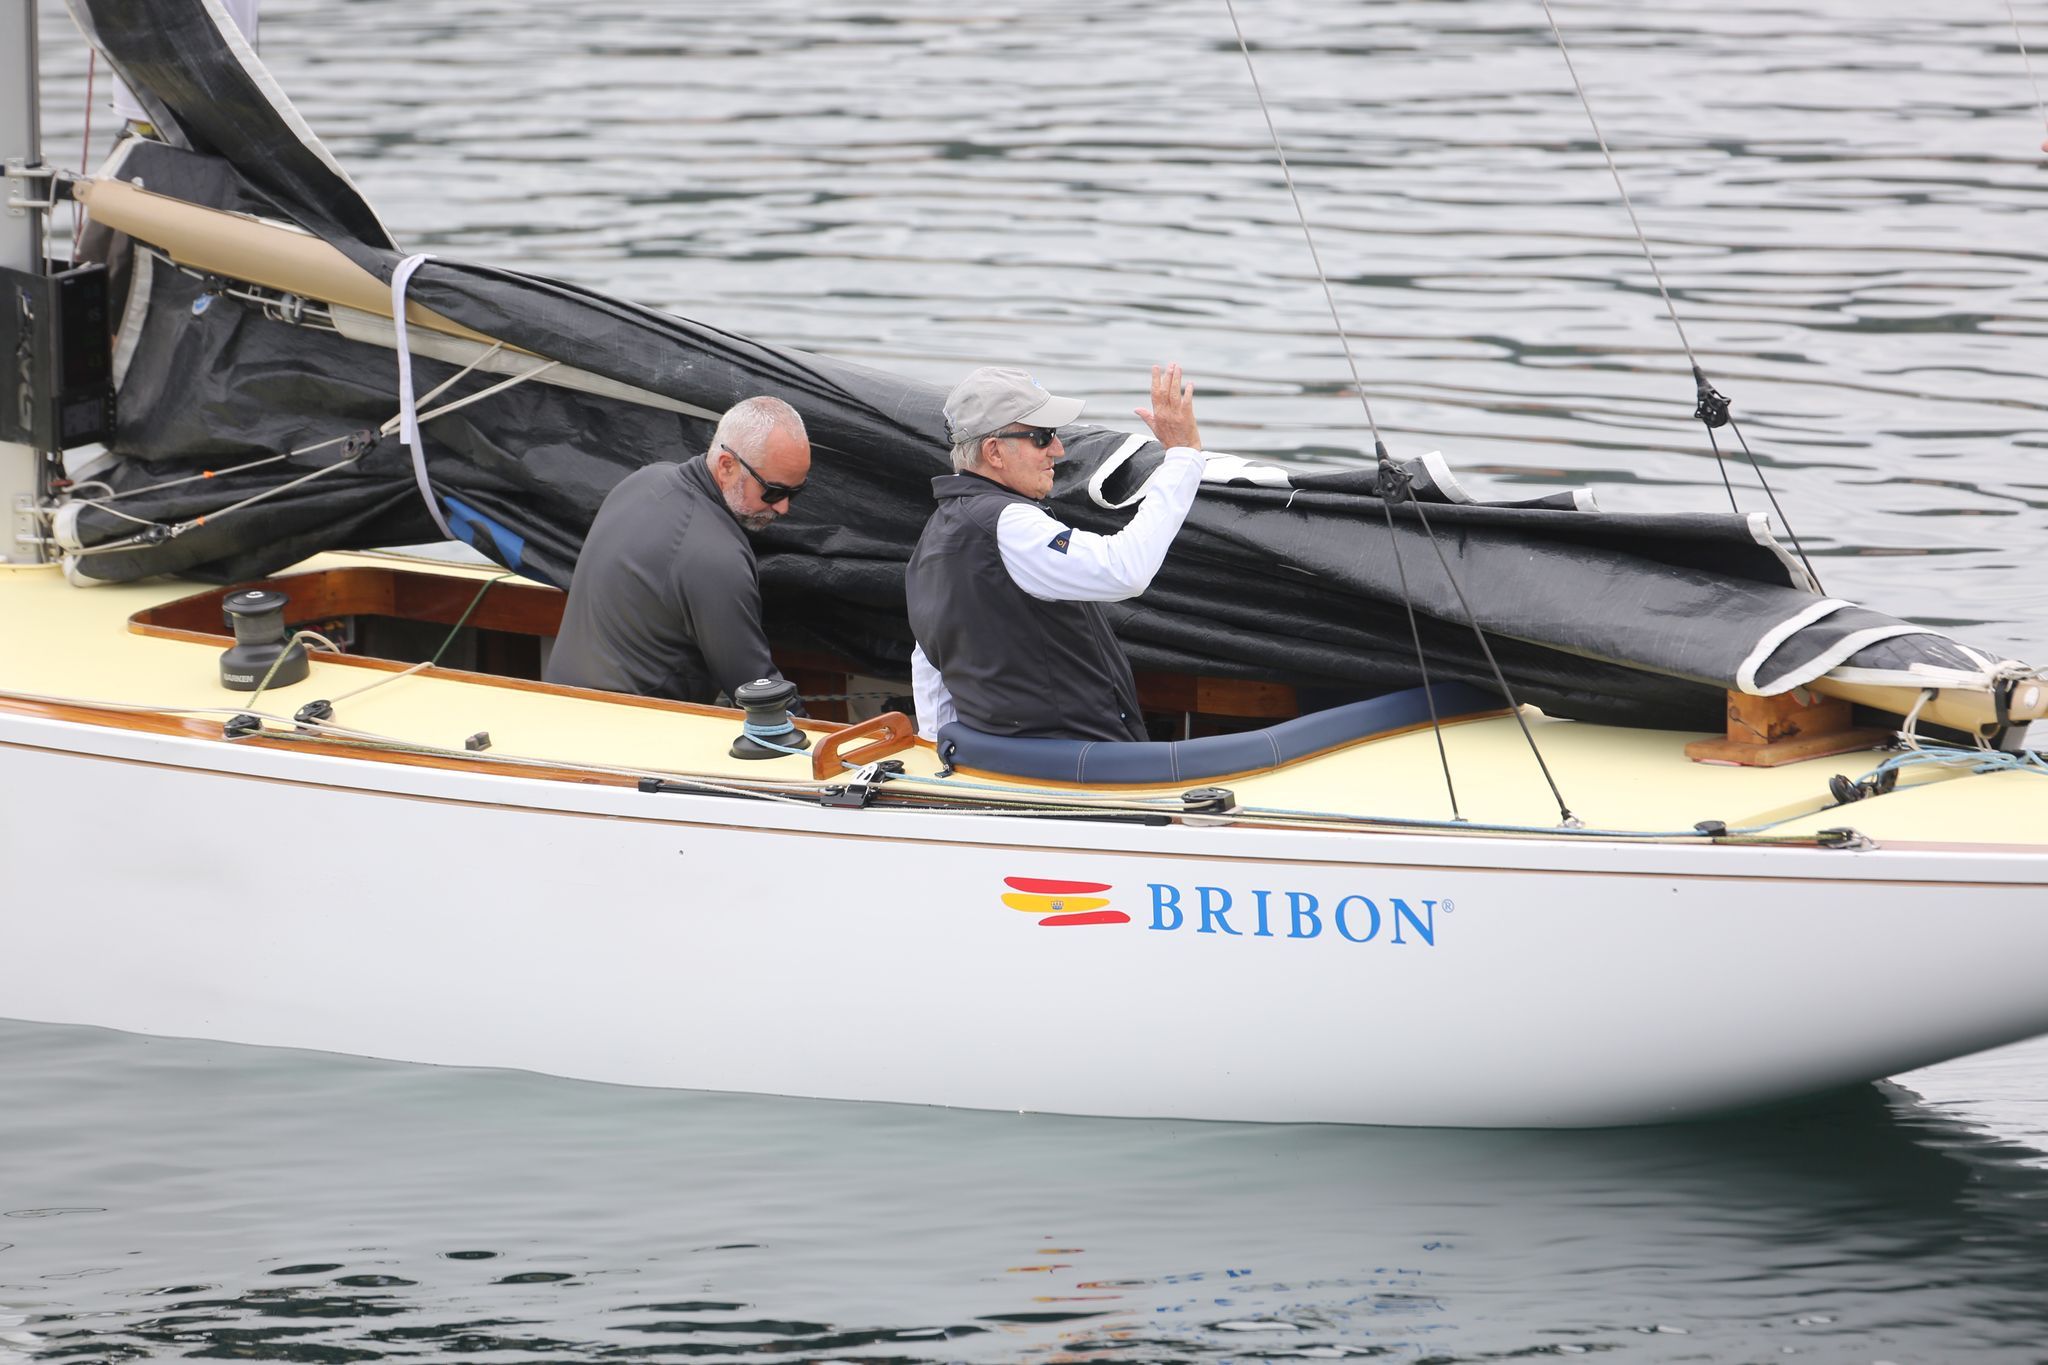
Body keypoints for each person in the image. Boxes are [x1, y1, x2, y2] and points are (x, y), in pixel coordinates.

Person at [905, 363, 1206, 743]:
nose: (1059, 450)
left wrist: (937, 746)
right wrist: (1183, 457)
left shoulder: (938, 531)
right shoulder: (1009, 524)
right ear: (994, 452)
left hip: (1013, 763)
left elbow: (930, 660)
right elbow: (1126, 569)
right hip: (1075, 765)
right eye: (1043, 437)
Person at [545, 396, 811, 706]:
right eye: (774, 491)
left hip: (557, 703)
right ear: (726, 466)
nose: (783, 507)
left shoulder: (644, 479)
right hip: (627, 731)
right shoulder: (717, 557)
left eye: (796, 492)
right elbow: (756, 691)